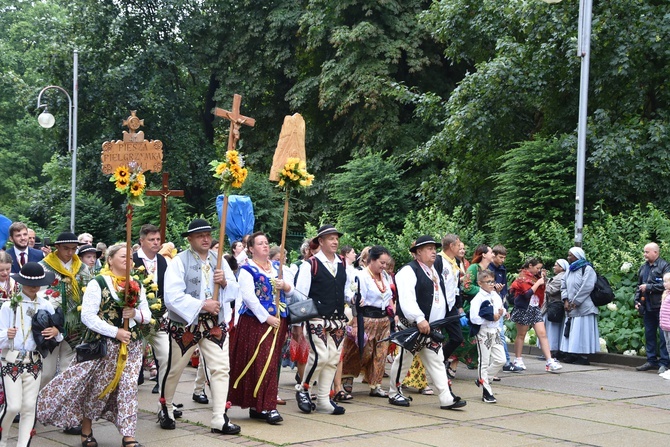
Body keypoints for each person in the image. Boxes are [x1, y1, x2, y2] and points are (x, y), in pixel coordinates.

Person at [37, 244, 151, 447]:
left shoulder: (136, 284)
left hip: (130, 347)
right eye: (123, 256)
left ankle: (129, 436)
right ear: (110, 259)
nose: (128, 260)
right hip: (103, 346)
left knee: (128, 388)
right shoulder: (98, 282)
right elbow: (87, 316)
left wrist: (134, 314)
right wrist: (115, 331)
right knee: (96, 388)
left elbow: (147, 315)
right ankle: (86, 429)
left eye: (131, 257)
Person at [160, 219, 241, 435]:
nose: (205, 238)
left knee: (221, 368)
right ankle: (166, 407)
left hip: (215, 323)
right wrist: (201, 304)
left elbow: (235, 289)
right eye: (199, 235)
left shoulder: (220, 261)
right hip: (186, 324)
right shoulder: (179, 262)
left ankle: (218, 417)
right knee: (175, 369)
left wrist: (224, 282)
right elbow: (171, 297)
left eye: (207, 234)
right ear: (190, 239)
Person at [388, 235, 466, 410]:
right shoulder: (408, 271)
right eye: (429, 248)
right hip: (413, 326)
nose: (433, 251)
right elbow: (407, 299)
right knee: (403, 360)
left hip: (430, 327)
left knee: (436, 361)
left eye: (433, 248)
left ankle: (446, 397)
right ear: (417, 253)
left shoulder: (433, 272)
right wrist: (419, 318)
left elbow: (440, 298)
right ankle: (393, 392)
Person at [229, 232, 293, 424]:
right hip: (256, 322)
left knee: (272, 363)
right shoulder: (247, 270)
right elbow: (249, 298)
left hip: (279, 321)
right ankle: (265, 405)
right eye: (260, 243)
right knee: (260, 362)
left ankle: (264, 405)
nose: (265, 246)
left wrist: (285, 286)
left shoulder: (277, 268)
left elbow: (290, 293)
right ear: (250, 248)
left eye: (267, 242)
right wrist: (266, 318)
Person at [0, 262, 62, 447]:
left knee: (28, 407)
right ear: (21, 282)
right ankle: (2, 440)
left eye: (37, 283)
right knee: (13, 406)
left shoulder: (46, 305)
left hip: (34, 361)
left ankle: (23, 444)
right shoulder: (9, 305)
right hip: (11, 359)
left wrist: (55, 332)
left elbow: (59, 333)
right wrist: (5, 334)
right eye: (28, 282)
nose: (33, 287)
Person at [294, 225, 351, 415]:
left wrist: (353, 298)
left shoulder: (343, 263)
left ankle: (324, 399)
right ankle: (303, 389)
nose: (335, 242)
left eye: (336, 238)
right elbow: (300, 295)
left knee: (333, 359)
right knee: (320, 356)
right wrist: (297, 324)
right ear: (320, 241)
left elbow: (346, 290)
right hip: (316, 316)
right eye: (330, 238)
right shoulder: (310, 264)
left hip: (337, 318)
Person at [39, 232, 92, 391]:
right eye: (66, 248)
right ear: (57, 247)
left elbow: (88, 293)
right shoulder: (44, 266)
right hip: (50, 325)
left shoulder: (82, 268)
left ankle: (61, 408)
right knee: (46, 372)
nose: (70, 252)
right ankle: (36, 405)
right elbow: (37, 296)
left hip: (74, 324)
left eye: (74, 249)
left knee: (67, 370)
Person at [341, 245, 393, 398]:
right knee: (360, 351)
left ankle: (375, 384)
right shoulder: (361, 276)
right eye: (381, 263)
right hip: (366, 318)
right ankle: (347, 378)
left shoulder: (385, 277)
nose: (384, 266)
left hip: (383, 319)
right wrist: (356, 320)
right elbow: (352, 296)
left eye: (386, 263)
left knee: (381, 352)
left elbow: (389, 297)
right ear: (372, 260)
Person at [132, 224, 170, 398]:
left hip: (159, 317)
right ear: (141, 241)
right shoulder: (133, 261)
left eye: (158, 239)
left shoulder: (162, 260)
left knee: (167, 356)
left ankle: (164, 399)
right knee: (133, 361)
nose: (156, 243)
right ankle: (127, 398)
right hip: (137, 318)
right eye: (151, 240)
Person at [509, 258, 563, 372]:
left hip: (535, 307)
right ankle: (518, 359)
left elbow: (542, 290)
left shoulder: (536, 277)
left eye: (540, 268)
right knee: (521, 335)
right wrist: (538, 282)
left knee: (542, 334)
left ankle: (549, 361)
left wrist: (542, 279)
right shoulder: (522, 277)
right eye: (537, 268)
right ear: (530, 266)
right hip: (523, 308)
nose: (538, 271)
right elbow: (527, 293)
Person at [470, 269, 506, 403]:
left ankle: (483, 379)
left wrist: (502, 312)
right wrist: (491, 318)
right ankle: (486, 390)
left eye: (493, 281)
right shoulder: (478, 299)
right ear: (480, 283)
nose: (491, 284)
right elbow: (474, 318)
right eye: (488, 282)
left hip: (495, 331)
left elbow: (500, 308)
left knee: (500, 359)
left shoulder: (495, 295)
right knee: (484, 361)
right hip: (484, 331)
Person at [634, 242, 670, 373]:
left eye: (647, 252)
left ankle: (665, 362)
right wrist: (636, 300)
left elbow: (667, 285)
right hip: (647, 306)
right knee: (649, 334)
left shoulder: (664, 266)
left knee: (663, 335)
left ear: (655, 252)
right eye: (644, 252)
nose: (644, 254)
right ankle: (651, 360)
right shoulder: (643, 267)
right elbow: (639, 285)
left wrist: (649, 287)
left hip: (661, 307)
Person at [560, 247, 599, 366]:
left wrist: (576, 301)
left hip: (584, 307)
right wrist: (566, 300)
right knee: (573, 331)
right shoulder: (569, 270)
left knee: (582, 331)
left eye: (570, 255)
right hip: (571, 307)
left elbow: (587, 286)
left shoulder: (587, 268)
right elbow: (563, 285)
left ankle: (583, 356)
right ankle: (572, 354)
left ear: (577, 256)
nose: (568, 258)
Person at [489, 244, 520, 373]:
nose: (502, 260)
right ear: (493, 255)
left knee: (499, 335)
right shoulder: (488, 268)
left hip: (499, 304)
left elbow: (504, 290)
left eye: (504, 258)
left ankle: (503, 361)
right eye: (500, 257)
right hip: (490, 304)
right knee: (499, 335)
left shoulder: (502, 269)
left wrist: (505, 307)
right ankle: (506, 362)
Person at [542, 259, 570, 358]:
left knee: (552, 330)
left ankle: (552, 351)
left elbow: (551, 290)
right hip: (555, 306)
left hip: (554, 307)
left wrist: (541, 283)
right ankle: (552, 351)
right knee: (553, 329)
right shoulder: (560, 276)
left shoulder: (561, 277)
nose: (554, 267)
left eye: (556, 265)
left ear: (561, 267)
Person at [658, 272, 670, 380]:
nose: (664, 284)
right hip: (665, 325)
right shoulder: (665, 293)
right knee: (668, 346)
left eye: (666, 281)